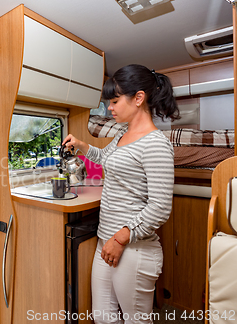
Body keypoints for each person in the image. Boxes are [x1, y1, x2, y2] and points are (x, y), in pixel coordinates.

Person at [62, 64, 180, 323]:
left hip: (132, 248)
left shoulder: (156, 144)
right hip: (107, 241)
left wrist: (121, 238)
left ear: (138, 98)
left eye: (114, 101)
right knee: (103, 317)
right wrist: (82, 146)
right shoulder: (123, 135)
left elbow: (160, 207)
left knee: (136, 319)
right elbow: (105, 158)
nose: (110, 108)